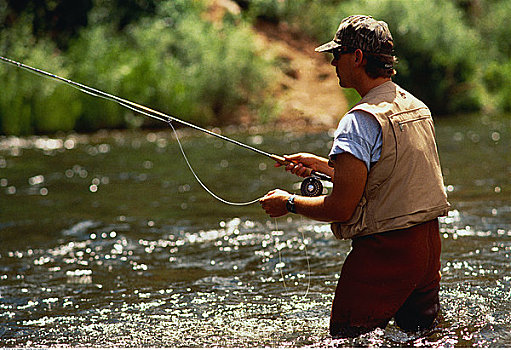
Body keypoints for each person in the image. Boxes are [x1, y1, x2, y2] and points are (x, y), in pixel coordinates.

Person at [259, 15, 450, 338]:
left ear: (358, 58)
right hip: (428, 250)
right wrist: (320, 165)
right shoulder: (416, 107)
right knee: (424, 340)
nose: (333, 63)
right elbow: (386, 175)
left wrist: (288, 203)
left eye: (338, 54)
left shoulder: (359, 120)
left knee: (346, 340)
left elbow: (341, 208)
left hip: (384, 253)